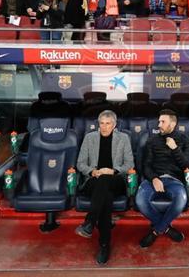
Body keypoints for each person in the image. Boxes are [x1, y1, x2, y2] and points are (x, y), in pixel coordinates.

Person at [75, 111, 134, 265]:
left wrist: (113, 170)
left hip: (116, 180)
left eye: (108, 123)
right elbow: (80, 163)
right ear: (98, 124)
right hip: (93, 180)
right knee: (105, 196)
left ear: (114, 125)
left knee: (106, 180)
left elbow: (129, 164)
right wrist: (92, 171)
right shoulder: (90, 138)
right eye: (102, 123)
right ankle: (104, 245)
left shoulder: (124, 138)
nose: (104, 127)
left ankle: (90, 221)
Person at [136, 109, 189, 248]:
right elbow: (146, 165)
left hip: (174, 181)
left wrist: (175, 148)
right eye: (159, 121)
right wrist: (154, 178)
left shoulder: (184, 140)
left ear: (172, 124)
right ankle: (166, 228)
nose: (159, 124)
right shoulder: (152, 141)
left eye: (163, 122)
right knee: (140, 200)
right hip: (153, 179)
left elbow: (188, 165)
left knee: (181, 199)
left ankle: (155, 231)